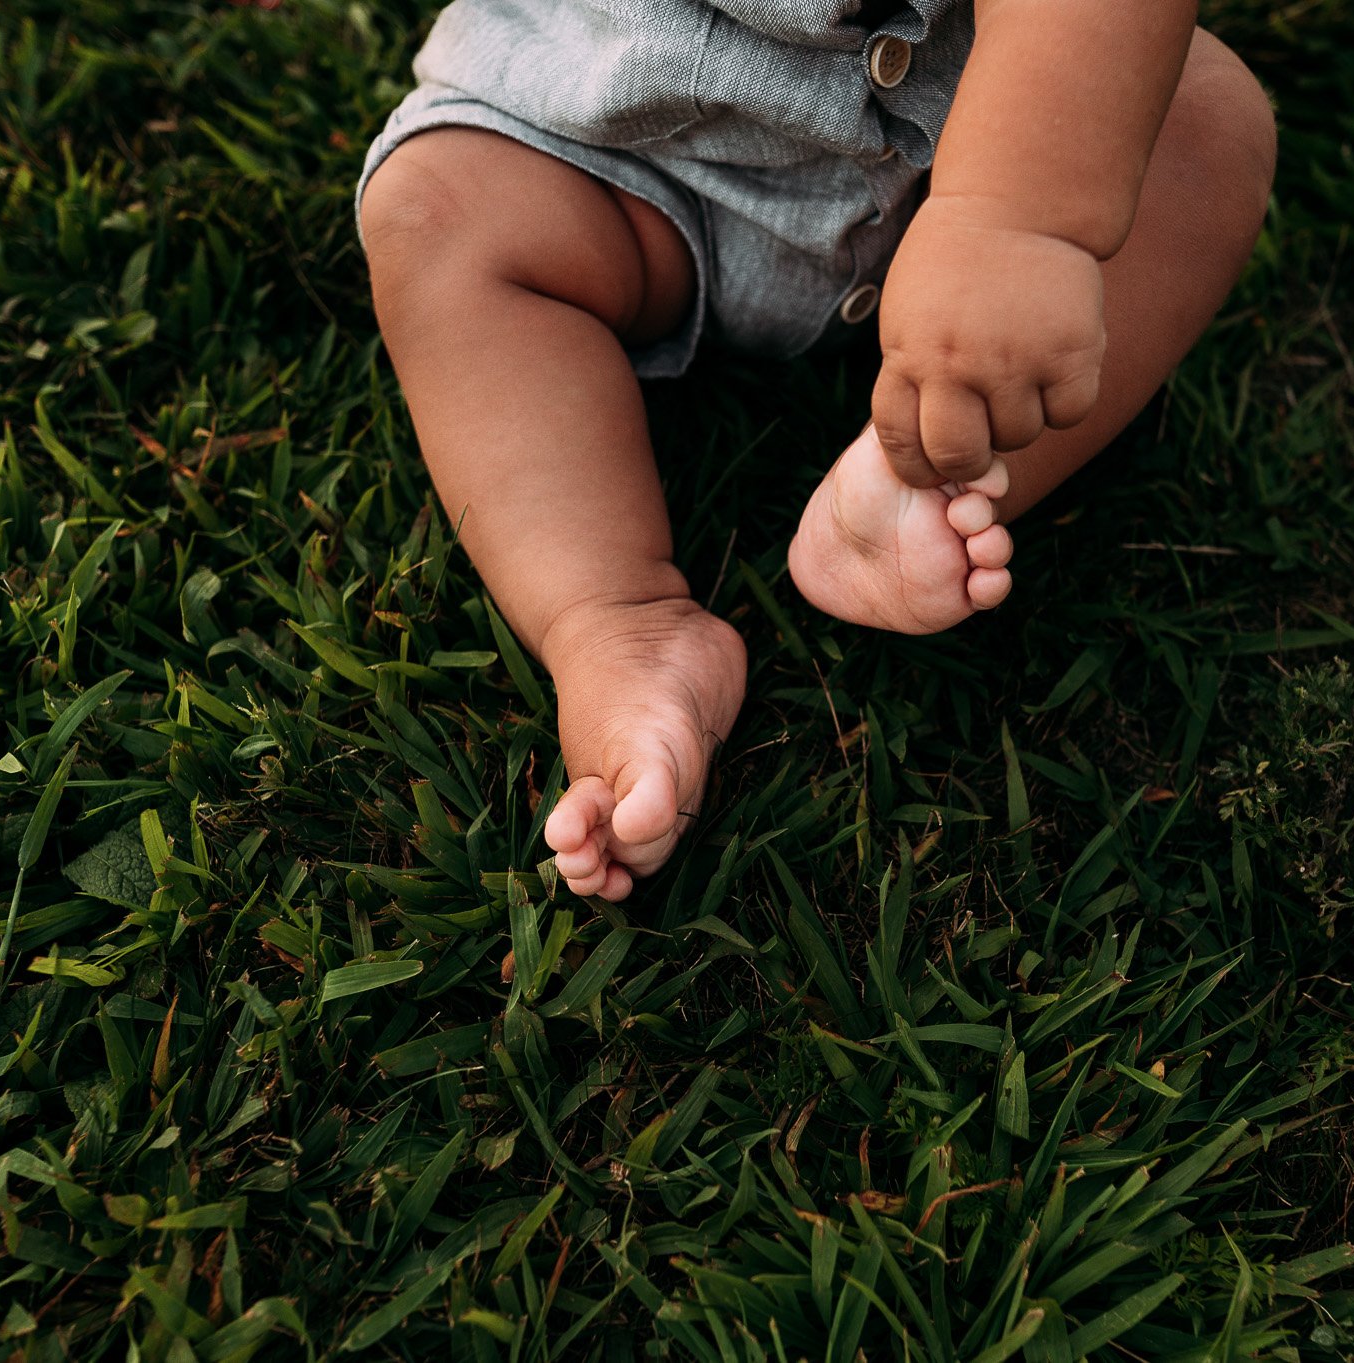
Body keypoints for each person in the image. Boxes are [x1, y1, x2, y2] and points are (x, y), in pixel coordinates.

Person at [356, 0, 1277, 900]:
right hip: (617, 137)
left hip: (997, 138)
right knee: (437, 215)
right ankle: (613, 620)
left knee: (1203, 124)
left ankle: (927, 462)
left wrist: (1017, 222)